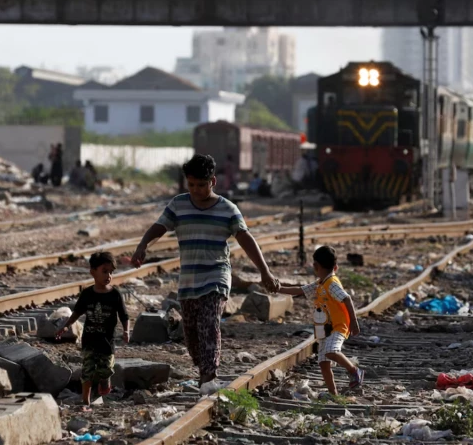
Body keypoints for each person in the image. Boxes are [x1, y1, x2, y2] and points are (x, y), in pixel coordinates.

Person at [130, 154, 279, 394]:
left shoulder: (227, 209)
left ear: (213, 182)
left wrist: (265, 271)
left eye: (201, 185)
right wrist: (143, 246)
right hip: (189, 280)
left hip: (216, 275)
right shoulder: (179, 204)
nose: (196, 190)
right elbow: (159, 227)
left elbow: (246, 239)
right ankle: (204, 370)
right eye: (191, 185)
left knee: (209, 324)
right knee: (190, 333)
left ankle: (209, 376)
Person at [275, 245, 364, 398]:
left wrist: (354, 323)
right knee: (323, 362)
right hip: (325, 330)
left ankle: (354, 371)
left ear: (315, 266)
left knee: (331, 351)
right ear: (335, 266)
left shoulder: (331, 284)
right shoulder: (320, 284)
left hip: (338, 327)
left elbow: (347, 298)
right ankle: (333, 394)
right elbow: (300, 290)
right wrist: (278, 288)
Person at [56, 251, 129, 409]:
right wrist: (66, 325)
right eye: (104, 271)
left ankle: (104, 380)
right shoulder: (87, 294)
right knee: (87, 371)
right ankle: (85, 401)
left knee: (107, 368)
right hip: (89, 340)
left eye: (111, 272)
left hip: (107, 342)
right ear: (93, 272)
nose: (108, 275)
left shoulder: (115, 295)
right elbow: (77, 312)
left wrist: (126, 331)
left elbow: (124, 315)